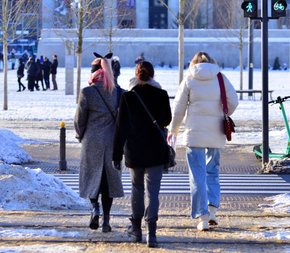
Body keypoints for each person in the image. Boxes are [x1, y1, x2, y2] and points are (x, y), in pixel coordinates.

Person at [167, 51, 239, 231]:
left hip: (194, 134)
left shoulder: (189, 79)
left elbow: (178, 108)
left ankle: (202, 217)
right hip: (216, 133)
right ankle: (213, 209)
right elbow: (234, 101)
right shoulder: (220, 77)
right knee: (212, 171)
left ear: (193, 63)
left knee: (197, 175)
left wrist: (173, 130)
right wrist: (223, 113)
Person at [113, 61, 171, 247]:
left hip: (134, 150)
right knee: (153, 191)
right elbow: (166, 119)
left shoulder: (128, 97)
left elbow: (120, 128)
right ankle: (151, 233)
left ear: (136, 75)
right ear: (152, 75)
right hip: (155, 150)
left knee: (136, 188)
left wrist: (116, 154)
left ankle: (136, 230)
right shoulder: (161, 95)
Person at [74, 54, 124, 233]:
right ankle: (107, 220)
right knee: (108, 183)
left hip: (92, 142)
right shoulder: (118, 92)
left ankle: (95, 209)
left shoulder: (87, 92)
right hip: (111, 143)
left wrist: (81, 136)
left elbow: (79, 120)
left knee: (92, 179)